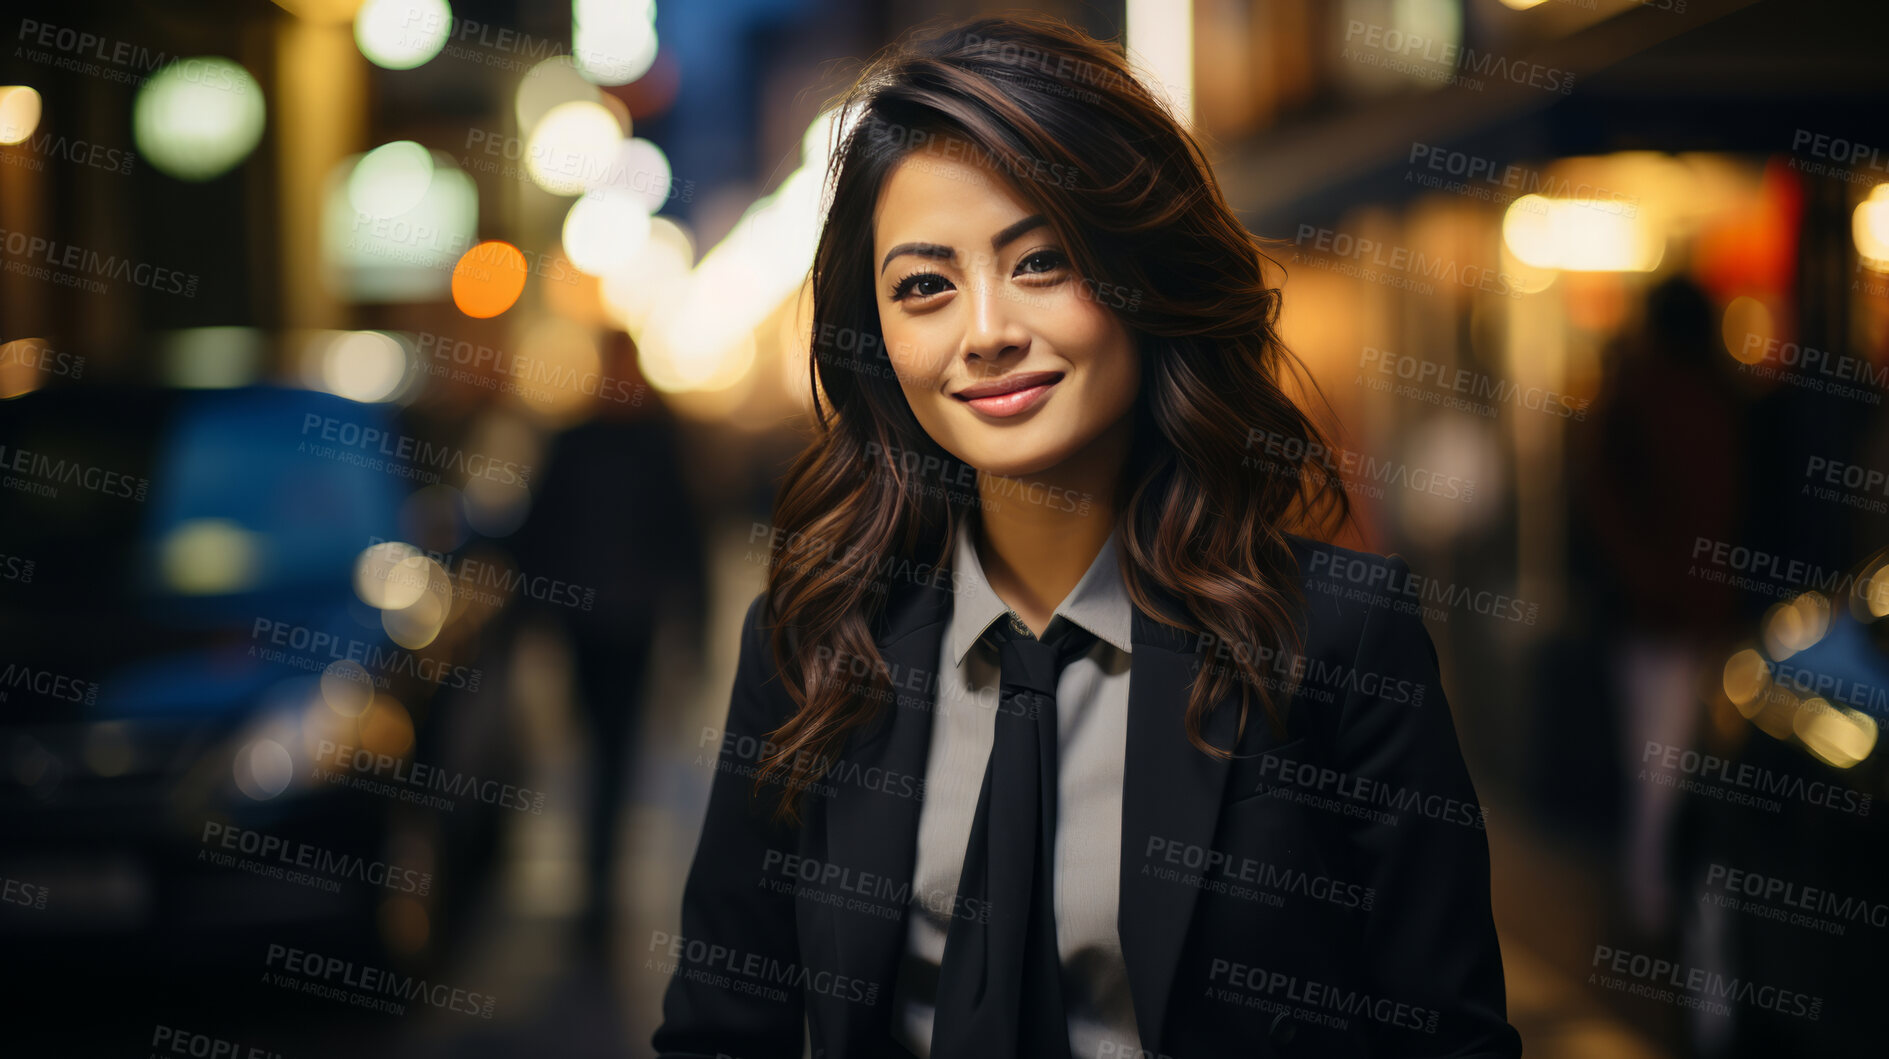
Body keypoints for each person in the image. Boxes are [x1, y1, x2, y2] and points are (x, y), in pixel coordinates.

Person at [653, 15, 1520, 1059]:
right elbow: (719, 1031)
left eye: (1042, 262)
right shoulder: (814, 644)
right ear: (873, 335)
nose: (985, 333)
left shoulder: (1332, 641)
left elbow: (1446, 1039)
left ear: (1141, 278)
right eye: (923, 286)